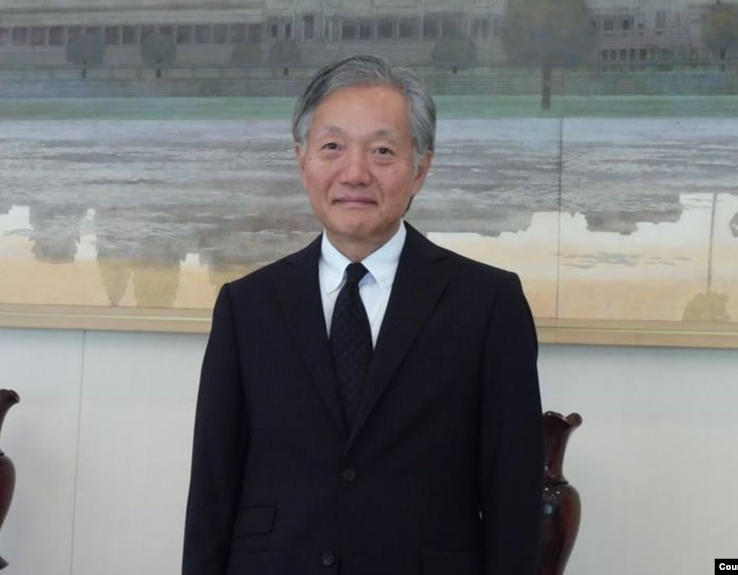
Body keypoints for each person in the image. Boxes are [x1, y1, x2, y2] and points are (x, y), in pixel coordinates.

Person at [182, 54, 543, 575]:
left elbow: (514, 498)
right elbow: (212, 489)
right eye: (332, 147)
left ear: (420, 167)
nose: (355, 173)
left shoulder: (488, 303)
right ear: (302, 159)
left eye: (381, 151)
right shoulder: (247, 306)